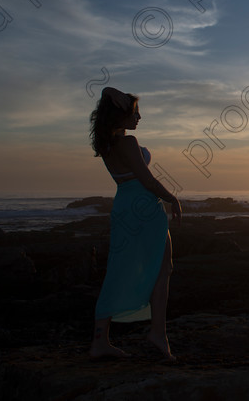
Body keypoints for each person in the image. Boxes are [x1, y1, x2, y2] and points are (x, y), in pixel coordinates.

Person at [88, 86, 182, 361]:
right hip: (145, 209)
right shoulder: (128, 143)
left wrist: (110, 92)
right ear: (120, 115)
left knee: (117, 270)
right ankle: (158, 334)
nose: (139, 118)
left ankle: (99, 341)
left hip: (124, 207)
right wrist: (172, 198)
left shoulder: (105, 144)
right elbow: (148, 180)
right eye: (134, 113)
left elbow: (106, 92)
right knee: (163, 270)